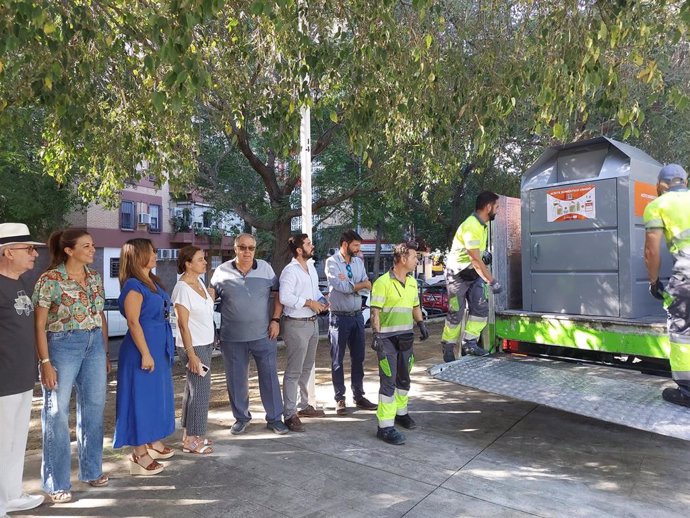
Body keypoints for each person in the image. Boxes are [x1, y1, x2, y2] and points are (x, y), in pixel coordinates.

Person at [33, 229, 110, 502]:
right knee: (56, 412)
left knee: (94, 408)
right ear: (69, 250)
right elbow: (39, 325)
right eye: (86, 246)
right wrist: (45, 362)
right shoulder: (50, 279)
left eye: (93, 245)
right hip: (62, 345)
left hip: (94, 345)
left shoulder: (94, 278)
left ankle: (91, 471)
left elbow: (100, 314)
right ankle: (56, 482)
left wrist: (103, 349)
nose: (93, 250)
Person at [210, 233, 288, 435]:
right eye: (242, 247)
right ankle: (241, 418)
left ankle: (274, 419)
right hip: (232, 337)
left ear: (255, 249)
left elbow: (278, 294)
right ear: (235, 248)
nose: (246, 252)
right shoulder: (221, 271)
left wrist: (275, 320)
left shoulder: (266, 268)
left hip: (264, 335)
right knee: (236, 381)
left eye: (250, 248)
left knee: (270, 378)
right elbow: (209, 298)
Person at [113, 238, 175, 475]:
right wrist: (146, 353)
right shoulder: (132, 285)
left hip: (158, 345)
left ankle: (153, 439)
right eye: (151, 252)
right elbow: (133, 321)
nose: (155, 255)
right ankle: (138, 451)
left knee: (156, 397)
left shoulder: (152, 281)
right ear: (138, 255)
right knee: (139, 399)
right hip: (142, 349)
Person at [0, 223, 45, 516]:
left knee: (16, 442)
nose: (33, 254)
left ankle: (12, 494)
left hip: (21, 378)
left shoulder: (20, 283)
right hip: (2, 381)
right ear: (6, 252)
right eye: (27, 249)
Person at [370, 242, 429, 445]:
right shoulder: (382, 282)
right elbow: (375, 311)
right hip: (386, 340)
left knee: (404, 380)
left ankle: (400, 414)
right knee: (388, 381)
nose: (416, 260)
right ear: (403, 259)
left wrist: (421, 324)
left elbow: (415, 306)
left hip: (406, 338)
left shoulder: (412, 282)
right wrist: (376, 335)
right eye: (414, 257)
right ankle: (384, 427)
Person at [643, 164, 690, 408]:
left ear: (661, 185)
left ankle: (687, 392)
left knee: (682, 333)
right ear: (685, 180)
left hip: (686, 278)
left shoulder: (658, 205)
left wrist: (654, 283)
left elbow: (652, 251)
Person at [440, 191, 502, 362]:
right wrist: (492, 281)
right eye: (496, 207)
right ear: (488, 207)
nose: (498, 210)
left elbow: (476, 254)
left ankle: (470, 343)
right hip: (456, 276)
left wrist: (485, 254)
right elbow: (475, 260)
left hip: (473, 275)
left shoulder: (483, 225)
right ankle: (448, 346)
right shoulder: (472, 226)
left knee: (481, 308)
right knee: (455, 313)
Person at [279, 234, 328, 432]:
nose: (312, 246)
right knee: (294, 371)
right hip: (296, 324)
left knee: (307, 368)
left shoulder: (311, 269)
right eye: (308, 244)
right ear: (299, 250)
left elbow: (314, 292)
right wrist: (309, 303)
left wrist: (323, 300)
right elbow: (284, 297)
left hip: (312, 323)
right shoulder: (290, 271)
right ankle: (289, 414)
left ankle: (304, 406)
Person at [325, 230, 377, 415]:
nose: (358, 249)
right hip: (339, 317)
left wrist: (354, 285)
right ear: (345, 244)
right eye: (355, 245)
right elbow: (341, 287)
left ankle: (359, 396)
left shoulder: (358, 262)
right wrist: (357, 285)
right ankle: (340, 398)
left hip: (357, 317)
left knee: (359, 358)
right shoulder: (331, 262)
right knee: (337, 360)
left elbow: (366, 285)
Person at [171, 246, 215, 454]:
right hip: (193, 346)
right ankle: (193, 440)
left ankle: (189, 436)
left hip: (205, 343)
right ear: (188, 264)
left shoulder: (199, 283)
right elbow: (182, 324)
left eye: (204, 259)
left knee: (193, 391)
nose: (205, 262)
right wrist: (191, 354)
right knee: (200, 392)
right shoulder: (182, 289)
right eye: (200, 260)